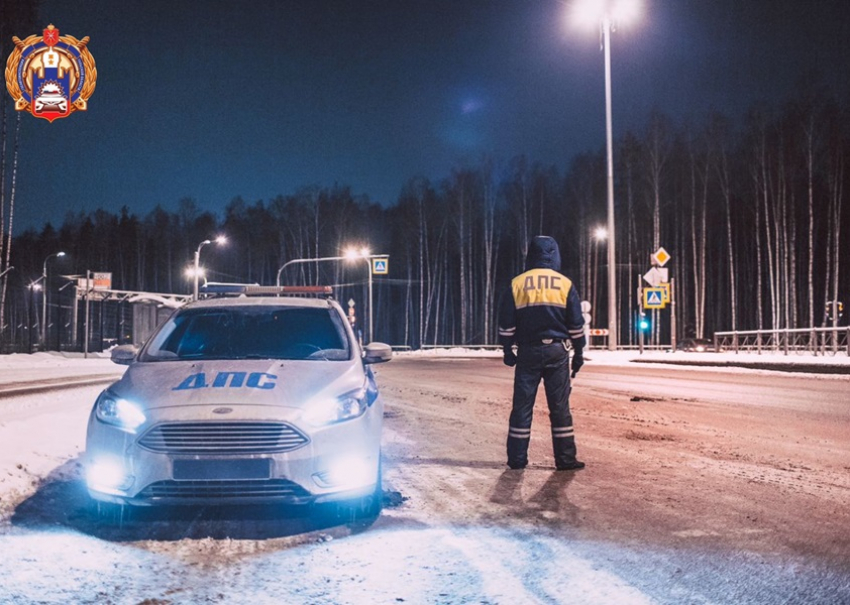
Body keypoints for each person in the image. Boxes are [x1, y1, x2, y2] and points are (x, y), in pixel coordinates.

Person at [498, 235, 586, 471]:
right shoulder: (565, 284)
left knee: (522, 408)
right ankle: (565, 459)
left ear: (531, 255)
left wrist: (507, 349)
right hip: (558, 352)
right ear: (555, 254)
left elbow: (507, 323)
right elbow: (576, 324)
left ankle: (517, 459)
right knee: (560, 408)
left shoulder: (517, 284)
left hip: (528, 352)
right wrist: (579, 352)